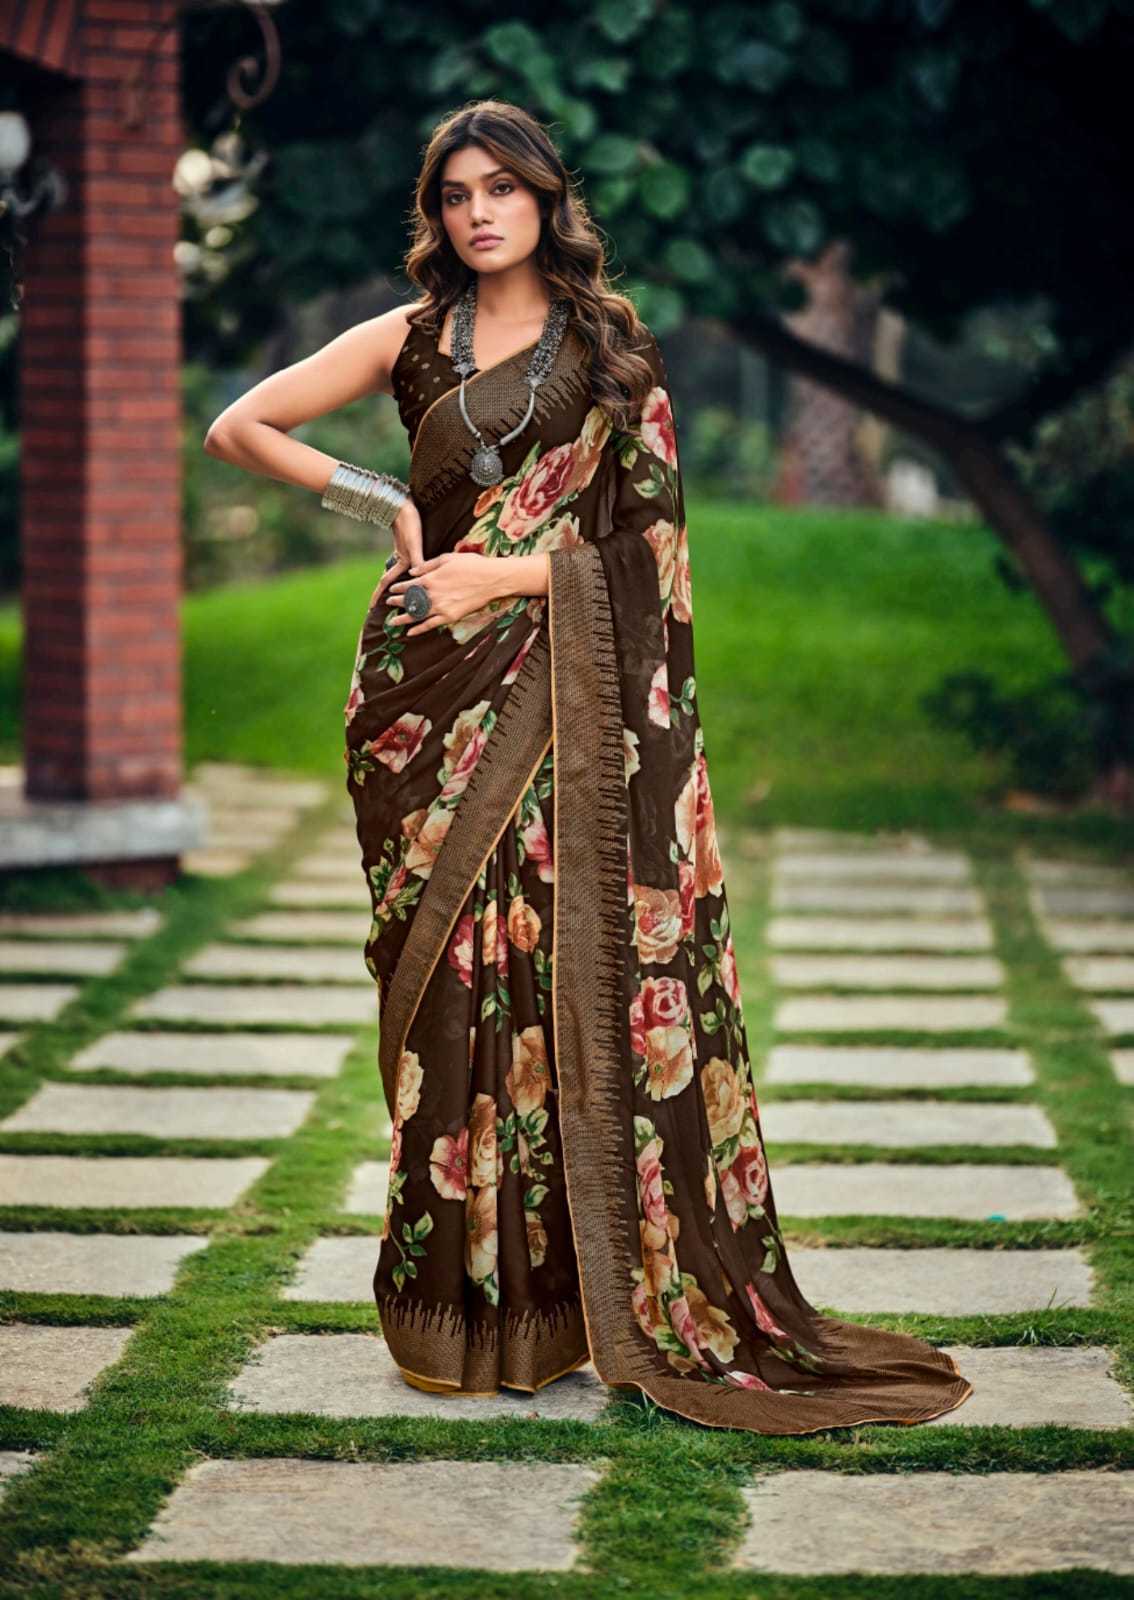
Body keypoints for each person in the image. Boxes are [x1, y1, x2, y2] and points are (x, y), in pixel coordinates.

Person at [204, 98, 973, 1433]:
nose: (479, 212)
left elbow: (652, 548)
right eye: (456, 194)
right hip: (422, 699)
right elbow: (238, 427)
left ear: (548, 198)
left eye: (502, 187)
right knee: (450, 988)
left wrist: (507, 573)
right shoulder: (409, 339)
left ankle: (565, 1300)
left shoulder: (610, 350)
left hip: (558, 695)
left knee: (560, 972)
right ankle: (462, 1309)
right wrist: (385, 507)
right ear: (436, 215)